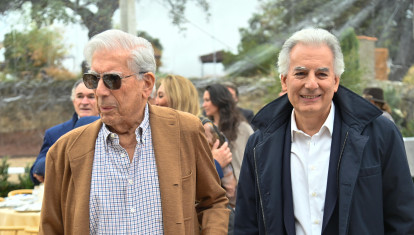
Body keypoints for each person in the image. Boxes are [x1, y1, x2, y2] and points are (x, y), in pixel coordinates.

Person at [39, 29, 229, 235]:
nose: (100, 91)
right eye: (93, 79)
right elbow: (50, 228)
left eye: (112, 79)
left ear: (146, 84)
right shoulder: (65, 151)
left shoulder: (186, 131)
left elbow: (212, 203)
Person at [235, 27, 414, 234]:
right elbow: (246, 225)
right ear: (284, 80)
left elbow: (403, 220)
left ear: (336, 81)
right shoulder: (259, 145)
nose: (311, 84)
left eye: (321, 74)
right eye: (300, 73)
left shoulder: (379, 134)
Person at [155, 74, 236, 204]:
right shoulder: (163, 132)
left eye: (160, 95)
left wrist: (214, 165)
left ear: (177, 97)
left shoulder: (203, 130)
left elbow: (229, 188)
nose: (156, 102)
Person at [30, 79, 99, 185]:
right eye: (80, 96)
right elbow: (36, 171)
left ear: (101, 100)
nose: (84, 102)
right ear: (73, 101)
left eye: (91, 97)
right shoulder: (54, 134)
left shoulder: (114, 129)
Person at [203, 84, 254, 181]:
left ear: (219, 100)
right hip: (215, 186)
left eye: (207, 100)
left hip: (241, 188)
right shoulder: (206, 129)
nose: (203, 105)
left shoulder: (242, 128)